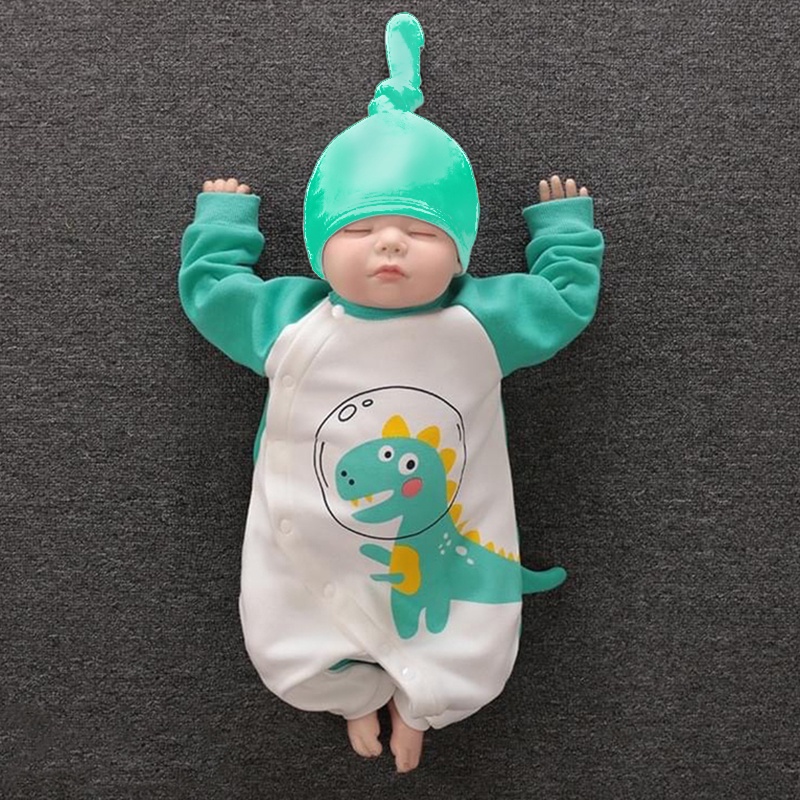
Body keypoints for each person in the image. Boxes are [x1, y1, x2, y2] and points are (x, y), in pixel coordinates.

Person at [179, 12, 604, 773]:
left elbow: (564, 302)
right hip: (310, 529)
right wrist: (223, 225)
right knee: (289, 624)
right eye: (358, 229)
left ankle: (423, 702)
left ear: (460, 254)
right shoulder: (291, 320)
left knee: (460, 632)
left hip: (440, 528)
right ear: (319, 251)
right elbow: (214, 294)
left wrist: (564, 233)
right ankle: (349, 697)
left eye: (422, 231)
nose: (390, 244)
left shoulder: (480, 322)